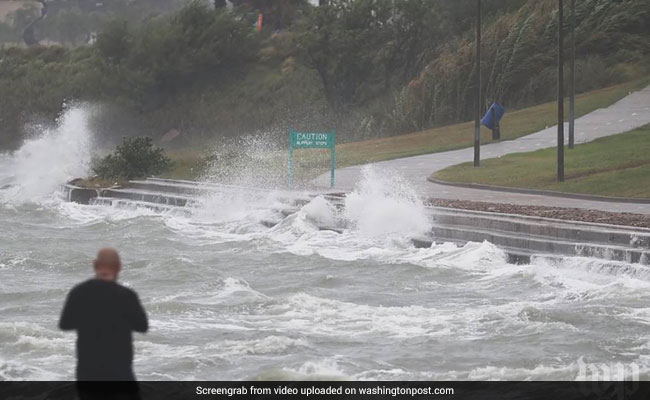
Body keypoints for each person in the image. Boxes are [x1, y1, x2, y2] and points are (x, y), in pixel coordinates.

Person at [59, 248, 148, 395]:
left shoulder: (79, 292)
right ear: (119, 267)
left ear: (95, 265)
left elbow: (65, 324)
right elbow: (142, 326)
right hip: (119, 372)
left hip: (88, 372)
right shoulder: (127, 296)